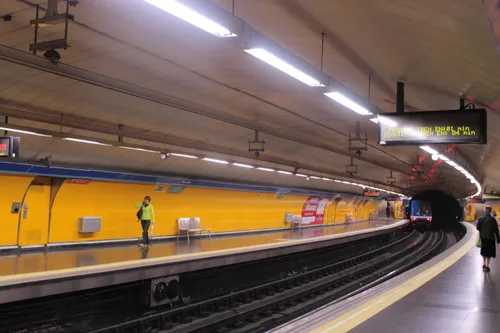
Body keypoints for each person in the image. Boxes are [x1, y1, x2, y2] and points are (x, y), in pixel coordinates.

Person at [476, 206, 500, 272]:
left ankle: (483, 264)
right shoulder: (493, 220)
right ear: (490, 211)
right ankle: (487, 266)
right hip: (490, 238)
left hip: (483, 238)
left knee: (484, 251)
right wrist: (498, 239)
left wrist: (482, 230)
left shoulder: (481, 219)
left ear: (485, 211)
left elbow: (477, 228)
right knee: (489, 253)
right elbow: (496, 230)